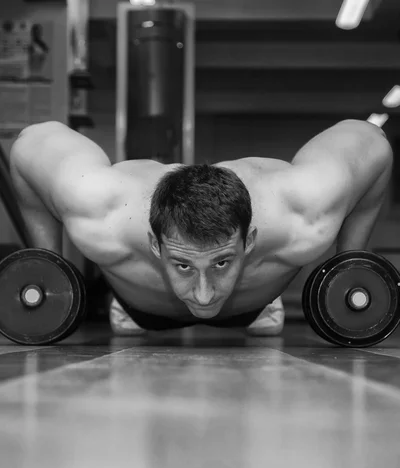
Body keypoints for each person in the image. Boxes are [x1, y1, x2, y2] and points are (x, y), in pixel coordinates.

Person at [9, 119, 392, 336]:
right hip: (138, 311)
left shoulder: (303, 211)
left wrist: (350, 264)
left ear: (250, 240)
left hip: (254, 307)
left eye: (223, 262)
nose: (205, 296)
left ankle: (260, 303)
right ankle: (126, 305)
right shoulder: (101, 209)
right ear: (154, 245)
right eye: (184, 265)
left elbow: (373, 142)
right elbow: (28, 145)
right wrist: (48, 266)